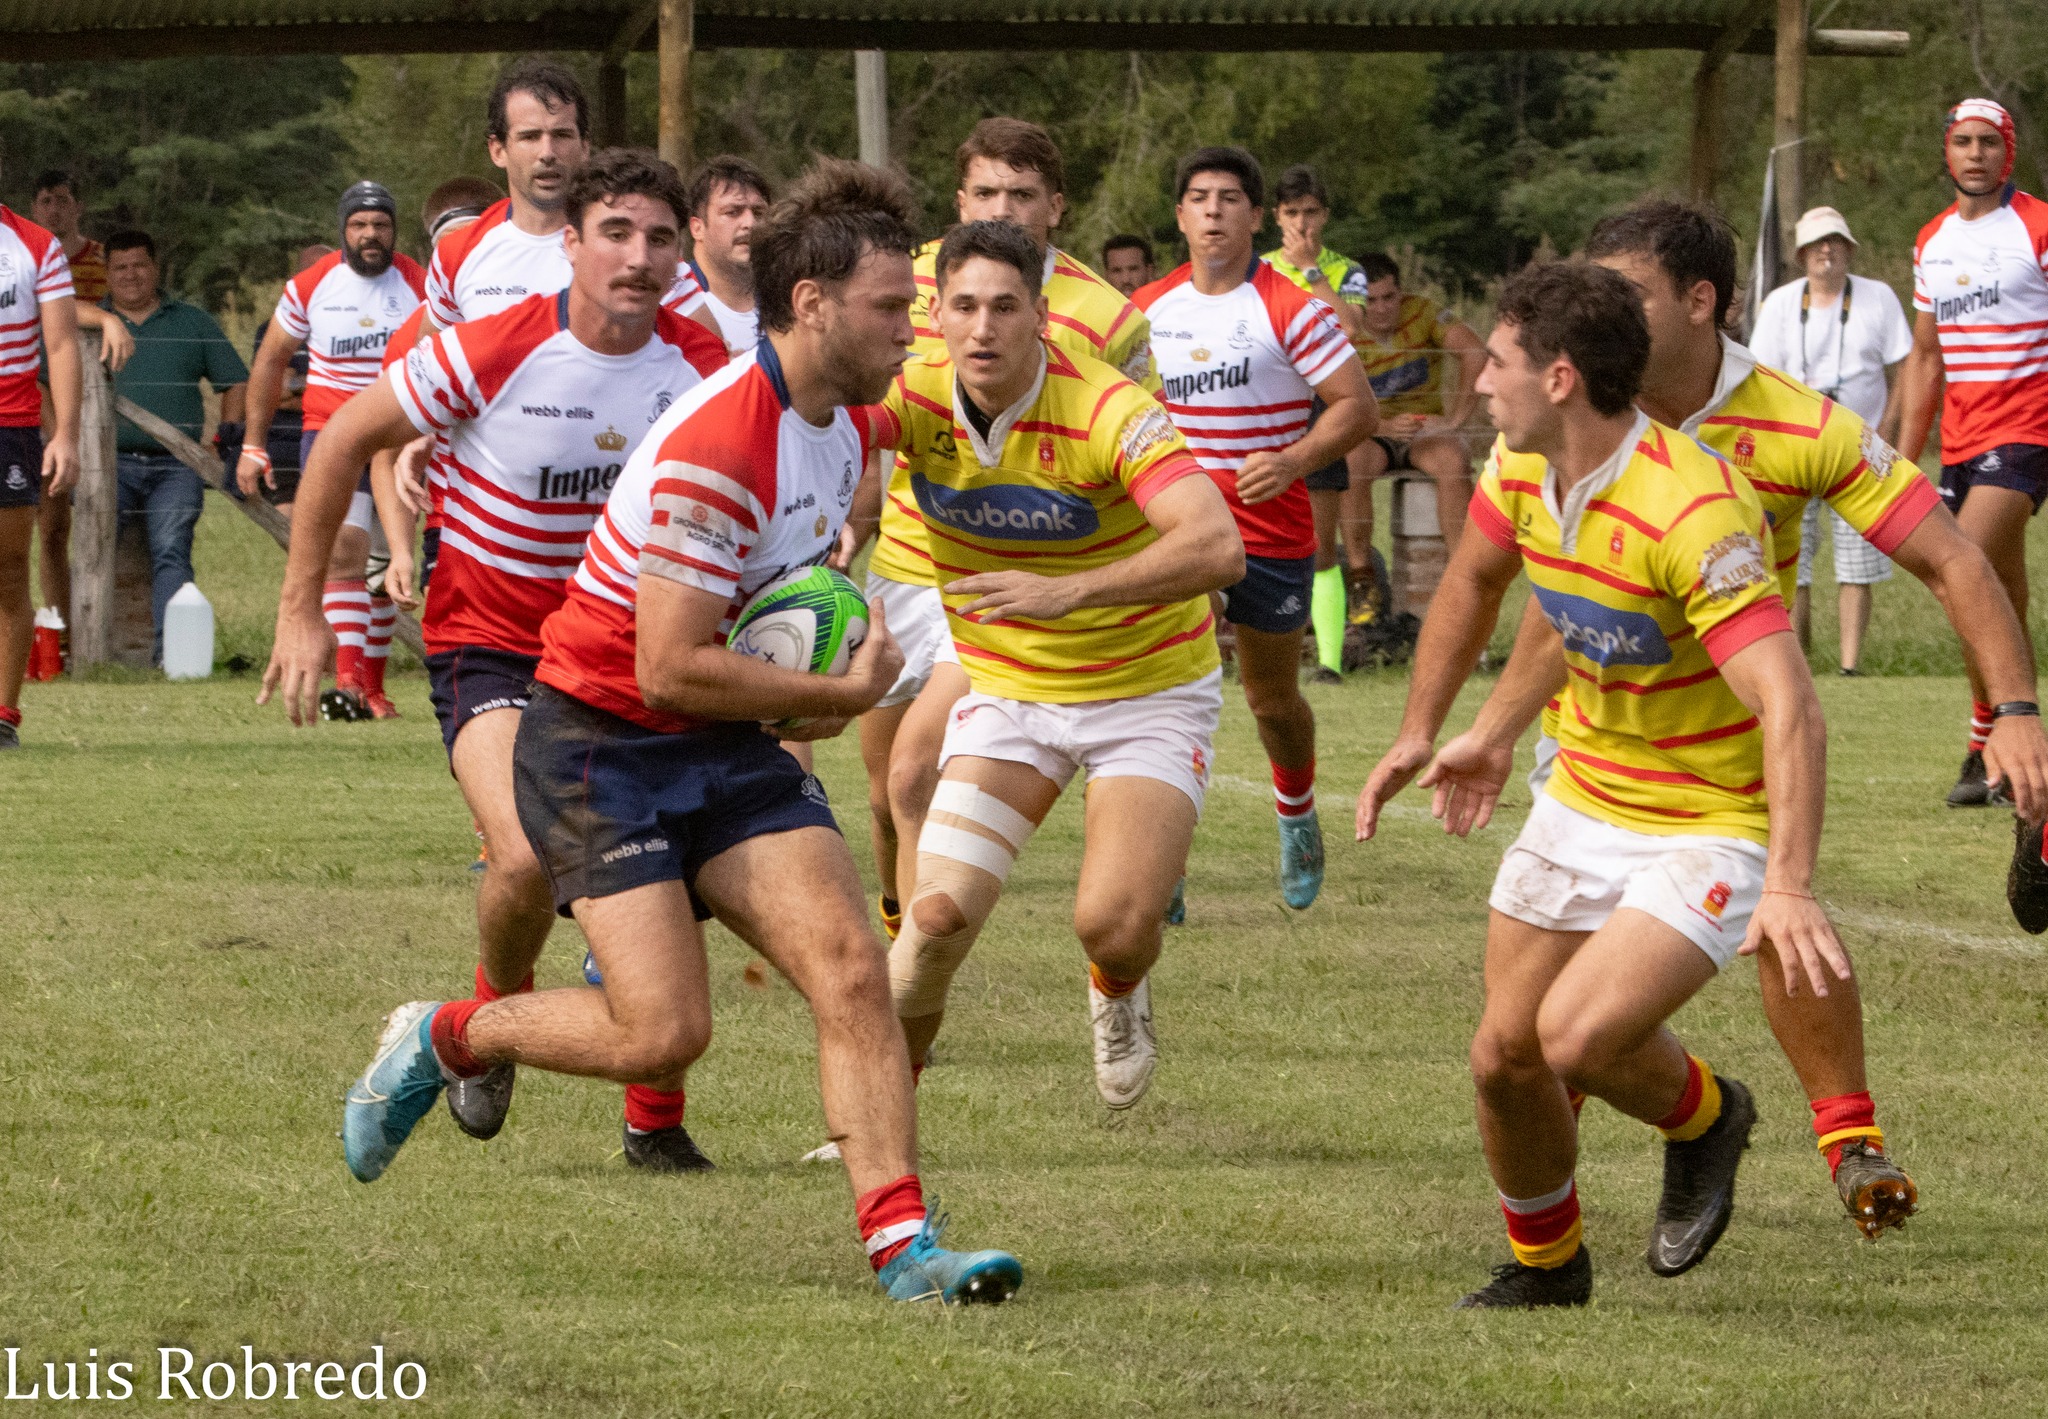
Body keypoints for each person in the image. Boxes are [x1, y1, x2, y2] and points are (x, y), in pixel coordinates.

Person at [327, 157, 1025, 1306]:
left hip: (721, 738)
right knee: (660, 1036)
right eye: (892, 308)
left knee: (851, 969)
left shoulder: (845, 424)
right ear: (811, 305)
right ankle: (446, 1035)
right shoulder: (723, 443)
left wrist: (812, 680)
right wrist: (838, 696)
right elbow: (667, 665)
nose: (915, 333)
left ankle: (904, 1249)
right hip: (601, 744)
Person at [1400, 197, 2048, 1239]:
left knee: (1771, 919)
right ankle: (1551, 1251)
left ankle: (1844, 1133)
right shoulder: (1561, 418)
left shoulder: (1797, 426)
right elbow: (1545, 600)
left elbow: (1950, 559)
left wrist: (2009, 709)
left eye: (1628, 293)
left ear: (1701, 303)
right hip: (1592, 757)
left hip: (1731, 766)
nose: (1601, 309)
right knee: (1521, 1049)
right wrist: (1478, 727)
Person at [1361, 259, 1828, 1307]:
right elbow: (1490, 586)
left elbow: (1790, 703)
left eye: (1499, 363)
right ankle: (1547, 1268)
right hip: (1582, 793)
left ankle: (1708, 1117)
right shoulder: (1521, 469)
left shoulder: (1692, 509)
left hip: (1708, 819)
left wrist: (1790, 885)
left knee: (1570, 1036)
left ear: (1560, 378)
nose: (1480, 380)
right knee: (1502, 1056)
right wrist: (1445, 730)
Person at [262, 148, 728, 1167]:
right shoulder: (493, 347)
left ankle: (653, 1123)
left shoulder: (707, 368)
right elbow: (341, 438)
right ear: (571, 246)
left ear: (679, 257)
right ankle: (491, 1014)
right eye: (615, 233)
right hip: (496, 647)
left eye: (658, 238)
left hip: (633, 654)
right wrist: (302, 611)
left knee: (669, 859)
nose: (637, 257)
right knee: (520, 856)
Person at [862, 221, 1241, 1117]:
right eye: (963, 307)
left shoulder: (1108, 407)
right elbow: (807, 430)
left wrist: (1067, 592)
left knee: (1112, 924)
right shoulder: (910, 393)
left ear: (1041, 313)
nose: (982, 327)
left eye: (1005, 307)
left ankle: (1118, 984)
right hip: (1010, 691)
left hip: (1146, 690)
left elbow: (1216, 544)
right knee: (933, 924)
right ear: (936, 317)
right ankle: (878, 1131)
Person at [859, 117, 1155, 954]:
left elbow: (1144, 463)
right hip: (902, 561)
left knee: (915, 771)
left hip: (1000, 581)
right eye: (986, 192)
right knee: (883, 791)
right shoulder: (904, 281)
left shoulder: (1108, 316)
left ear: (1055, 206)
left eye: (1022, 194)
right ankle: (899, 921)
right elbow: (861, 404)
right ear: (959, 202)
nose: (1003, 209)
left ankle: (910, 973)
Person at [1133, 146, 1376, 911]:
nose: (1213, 210)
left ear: (1256, 216)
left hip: (1271, 532)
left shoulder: (1290, 307)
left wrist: (1294, 459)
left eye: (1230, 198)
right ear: (1180, 215)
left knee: (1272, 701)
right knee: (1171, 693)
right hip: (1179, 530)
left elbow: (1357, 406)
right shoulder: (1144, 310)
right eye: (1199, 197)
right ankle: (1160, 858)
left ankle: (1297, 813)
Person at [1897, 99, 2048, 810]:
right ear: (1948, 151)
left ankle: (1995, 736)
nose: (1976, 153)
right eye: (1964, 141)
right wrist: (1901, 460)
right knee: (1996, 590)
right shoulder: (1931, 240)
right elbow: (1925, 357)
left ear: (2007, 152)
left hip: (2028, 429)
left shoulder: (2038, 226)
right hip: (1960, 441)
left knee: (1967, 560)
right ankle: (1993, 739)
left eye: (1989, 141)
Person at [239, 183, 425, 720]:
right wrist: (253, 443)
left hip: (396, 430)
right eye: (359, 225)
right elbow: (271, 360)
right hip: (330, 433)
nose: (370, 235)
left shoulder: (420, 282)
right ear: (343, 230)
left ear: (394, 230)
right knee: (344, 550)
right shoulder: (311, 284)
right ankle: (347, 685)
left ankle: (374, 688)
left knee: (387, 563)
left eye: (381, 225)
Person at [1748, 206, 1915, 675]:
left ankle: (1850, 666)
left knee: (1857, 561)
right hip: (1792, 447)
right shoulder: (1780, 304)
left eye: (1836, 241)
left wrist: (1888, 431)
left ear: (1849, 249)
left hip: (1859, 446)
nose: (1827, 249)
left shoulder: (1877, 298)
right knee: (1791, 559)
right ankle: (1797, 660)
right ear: (1802, 254)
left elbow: (1905, 366)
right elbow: (1760, 377)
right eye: (1818, 243)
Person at [100, 230, 247, 666]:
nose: (131, 275)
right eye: (120, 267)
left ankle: (173, 657)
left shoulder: (191, 322)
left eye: (139, 265)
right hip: (106, 465)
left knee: (171, 548)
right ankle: (91, 654)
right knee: (95, 548)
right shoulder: (91, 322)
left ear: (156, 267)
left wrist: (222, 441)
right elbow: (47, 381)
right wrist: (63, 437)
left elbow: (236, 382)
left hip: (176, 465)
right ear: (106, 274)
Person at [1263, 164, 1370, 682]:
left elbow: (1349, 326)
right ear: (1275, 216)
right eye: (1291, 213)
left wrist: (1310, 271)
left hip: (1320, 407)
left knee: (1321, 543)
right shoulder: (1257, 267)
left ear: (1324, 214)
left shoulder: (1345, 270)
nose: (1301, 223)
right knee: (1250, 535)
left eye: (1310, 212)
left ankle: (1329, 662)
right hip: (1261, 405)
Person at [1343, 252, 1485, 620]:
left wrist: (1455, 421)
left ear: (1401, 293)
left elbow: (1474, 351)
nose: (1381, 309)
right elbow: (1326, 396)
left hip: (1423, 430)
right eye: (1370, 301)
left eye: (1389, 298)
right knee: (1350, 463)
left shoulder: (1423, 312)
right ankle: (1362, 579)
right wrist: (1381, 427)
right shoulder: (1344, 327)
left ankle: (1462, 577)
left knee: (1454, 459)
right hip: (1370, 431)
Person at [29, 170, 130, 639]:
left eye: (63, 200)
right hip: (37, 387)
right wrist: (102, 318)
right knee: (50, 525)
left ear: (78, 207)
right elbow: (48, 310)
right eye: (46, 200)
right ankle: (59, 633)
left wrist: (108, 320)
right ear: (34, 208)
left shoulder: (101, 258)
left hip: (98, 387)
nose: (55, 209)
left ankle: (89, 629)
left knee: (89, 518)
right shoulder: (24, 256)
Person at [0, 183, 81, 750]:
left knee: (7, 571)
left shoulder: (35, 245)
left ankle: (4, 715)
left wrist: (67, 435)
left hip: (12, 427)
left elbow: (61, 345)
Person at [686, 156, 771, 356]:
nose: (750, 223)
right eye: (733, 212)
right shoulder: (674, 300)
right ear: (697, 228)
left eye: (759, 213)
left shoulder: (789, 300)